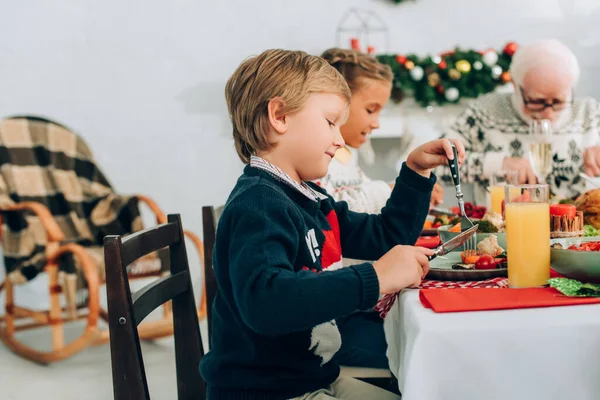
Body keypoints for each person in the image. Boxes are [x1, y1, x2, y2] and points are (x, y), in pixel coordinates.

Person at [199, 48, 465, 400]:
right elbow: (266, 302)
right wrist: (376, 278)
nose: (339, 139)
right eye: (330, 122)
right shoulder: (258, 203)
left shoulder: (307, 198)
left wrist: (416, 173)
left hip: (312, 380)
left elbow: (384, 236)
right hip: (267, 393)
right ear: (279, 115)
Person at [439, 39, 600, 205]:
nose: (548, 113)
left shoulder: (590, 111)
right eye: (537, 101)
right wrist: (499, 164)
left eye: (559, 102)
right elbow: (436, 165)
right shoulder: (486, 111)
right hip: (503, 226)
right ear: (515, 86)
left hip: (580, 226)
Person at [317, 48, 444, 214]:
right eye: (370, 110)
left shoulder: (346, 154)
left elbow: (362, 190)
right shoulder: (316, 157)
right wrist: (397, 191)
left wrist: (407, 188)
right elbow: (334, 206)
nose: (376, 124)